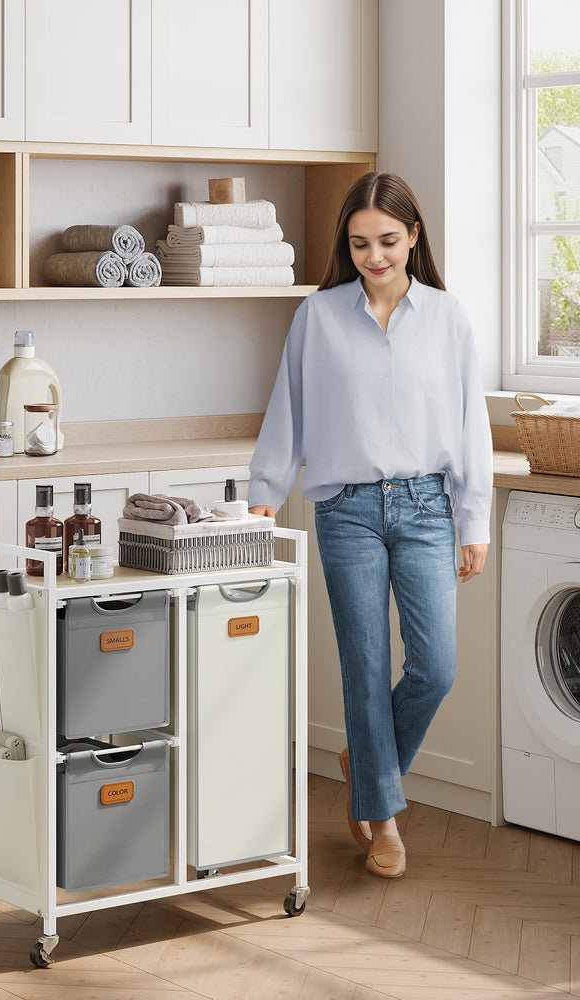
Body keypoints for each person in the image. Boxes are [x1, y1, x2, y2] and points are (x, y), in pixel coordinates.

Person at [248, 172, 492, 879]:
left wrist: (472, 520)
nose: (374, 256)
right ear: (345, 245)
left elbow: (471, 427)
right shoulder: (317, 317)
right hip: (346, 512)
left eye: (388, 240)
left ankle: (367, 765)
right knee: (363, 666)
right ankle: (382, 819)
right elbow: (286, 410)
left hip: (426, 510)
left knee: (435, 668)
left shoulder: (449, 318)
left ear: (414, 236)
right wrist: (265, 493)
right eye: (359, 244)